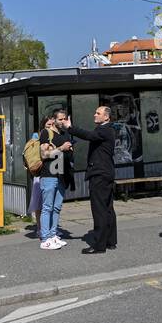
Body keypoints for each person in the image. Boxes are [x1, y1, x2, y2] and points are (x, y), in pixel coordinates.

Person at [62, 105, 117, 254]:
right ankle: (110, 241)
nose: (94, 115)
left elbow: (88, 136)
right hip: (106, 172)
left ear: (106, 117)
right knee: (107, 208)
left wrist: (70, 128)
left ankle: (99, 246)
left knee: (99, 209)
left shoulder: (104, 130)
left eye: (98, 113)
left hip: (99, 174)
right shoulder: (107, 129)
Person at [37, 110, 74, 250]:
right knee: (47, 207)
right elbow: (44, 154)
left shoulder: (64, 134)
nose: (63, 121)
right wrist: (61, 148)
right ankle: (45, 238)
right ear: (53, 120)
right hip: (49, 175)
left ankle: (53, 235)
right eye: (60, 119)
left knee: (57, 207)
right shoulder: (47, 133)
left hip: (61, 175)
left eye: (65, 119)